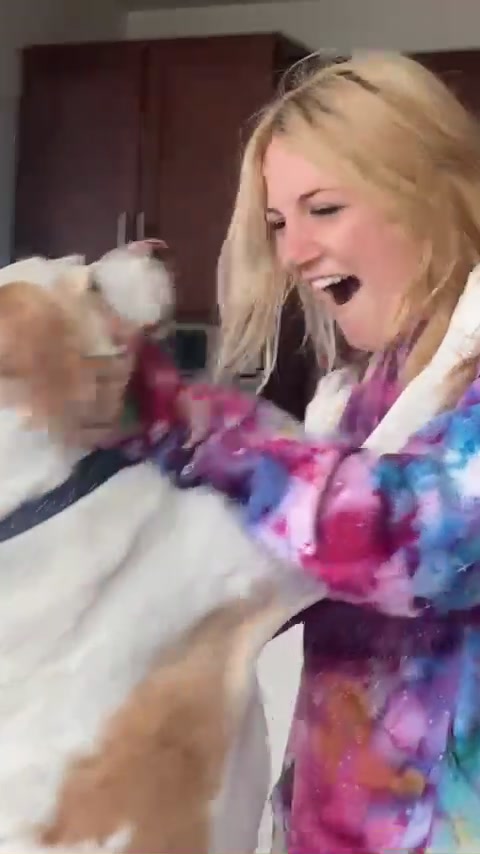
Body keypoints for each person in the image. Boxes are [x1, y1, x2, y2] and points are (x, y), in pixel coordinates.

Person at [77, 52, 480, 852]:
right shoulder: (360, 400)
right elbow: (277, 567)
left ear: (434, 191)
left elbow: (418, 540)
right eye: (278, 223)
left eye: (323, 208)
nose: (293, 252)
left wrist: (186, 419)